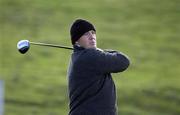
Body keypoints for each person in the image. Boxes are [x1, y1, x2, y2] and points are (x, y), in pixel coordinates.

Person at [67, 19, 130, 115]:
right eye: (86, 34)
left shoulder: (78, 56)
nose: (92, 37)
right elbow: (123, 61)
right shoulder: (90, 57)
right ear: (76, 42)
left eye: (93, 33)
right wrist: (101, 51)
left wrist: (100, 51)